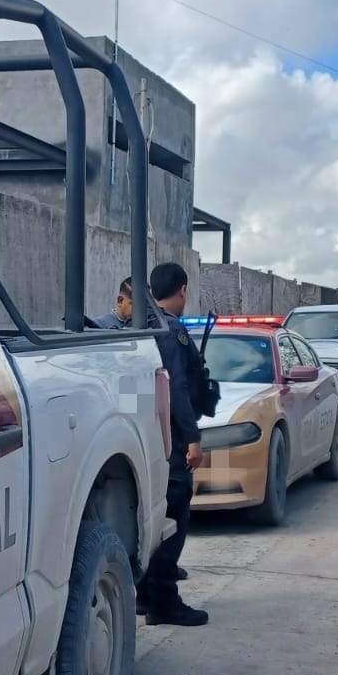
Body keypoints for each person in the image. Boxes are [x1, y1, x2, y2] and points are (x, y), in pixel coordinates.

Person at [140, 262, 208, 626]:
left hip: (145, 438)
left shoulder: (137, 326)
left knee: (151, 519)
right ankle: (164, 602)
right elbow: (178, 389)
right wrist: (193, 439)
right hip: (173, 441)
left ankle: (146, 594)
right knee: (173, 519)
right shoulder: (172, 332)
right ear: (182, 290)